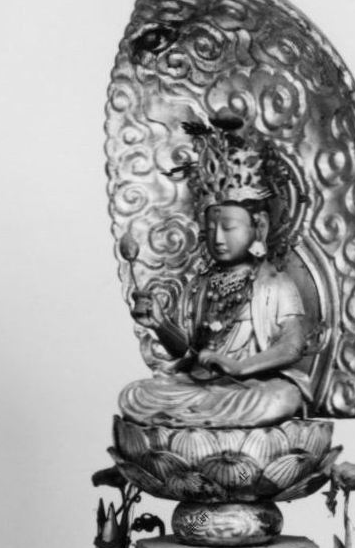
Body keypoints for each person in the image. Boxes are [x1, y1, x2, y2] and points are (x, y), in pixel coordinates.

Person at [119, 118, 308, 428]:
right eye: (211, 229)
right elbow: (190, 355)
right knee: (135, 395)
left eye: (229, 228)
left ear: (259, 227)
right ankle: (201, 419)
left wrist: (239, 367)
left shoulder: (275, 284)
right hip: (204, 387)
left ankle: (196, 423)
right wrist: (161, 324)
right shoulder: (201, 285)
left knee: (283, 396)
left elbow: (292, 346)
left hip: (253, 386)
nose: (218, 239)